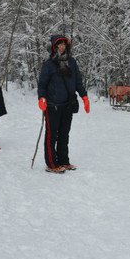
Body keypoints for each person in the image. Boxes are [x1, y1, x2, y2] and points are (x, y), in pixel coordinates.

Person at [37, 35, 90, 173]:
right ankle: (51, 164)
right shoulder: (49, 64)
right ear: (54, 47)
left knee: (64, 134)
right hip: (52, 105)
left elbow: (78, 81)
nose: (62, 47)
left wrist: (84, 96)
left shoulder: (72, 62)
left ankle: (63, 161)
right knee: (52, 135)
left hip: (68, 104)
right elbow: (42, 84)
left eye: (64, 45)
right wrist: (41, 98)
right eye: (59, 45)